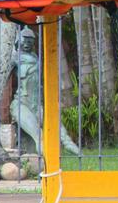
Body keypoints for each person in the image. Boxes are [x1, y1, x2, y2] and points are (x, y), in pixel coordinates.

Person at [9, 27, 81, 156]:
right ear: (17, 42)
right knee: (40, 137)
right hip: (21, 104)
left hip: (36, 105)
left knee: (60, 130)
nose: (26, 44)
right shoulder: (14, 58)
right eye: (24, 41)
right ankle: (49, 166)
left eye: (30, 42)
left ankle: (73, 148)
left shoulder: (35, 57)